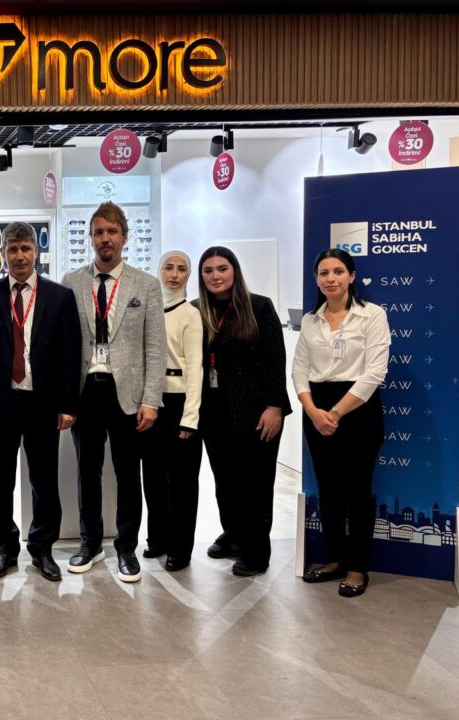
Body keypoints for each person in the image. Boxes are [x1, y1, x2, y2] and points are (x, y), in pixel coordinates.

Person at [61, 201, 166, 582]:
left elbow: (155, 347)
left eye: (112, 231)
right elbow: (64, 346)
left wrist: (151, 400)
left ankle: (126, 548)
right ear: (91, 238)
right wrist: (64, 400)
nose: (105, 238)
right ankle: (89, 543)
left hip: (129, 396)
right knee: (87, 472)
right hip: (85, 391)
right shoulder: (71, 282)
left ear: (124, 236)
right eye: (98, 232)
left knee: (127, 474)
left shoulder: (146, 285)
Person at [0, 221, 80, 581]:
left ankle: (42, 548)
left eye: (25, 248)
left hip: (43, 403)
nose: (19, 256)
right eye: (12, 249)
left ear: (36, 251)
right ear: (3, 254)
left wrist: (68, 404)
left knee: (44, 478)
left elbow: (71, 353)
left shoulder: (59, 296)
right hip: (1, 403)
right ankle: (5, 548)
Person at [292, 249, 390, 597]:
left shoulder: (372, 315)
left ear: (351, 276)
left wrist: (334, 413)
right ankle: (334, 560)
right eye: (323, 273)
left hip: (358, 410)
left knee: (357, 491)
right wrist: (312, 410)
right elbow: (299, 370)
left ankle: (357, 568)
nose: (330, 278)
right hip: (316, 410)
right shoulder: (310, 320)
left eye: (337, 271)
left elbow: (374, 373)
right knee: (328, 488)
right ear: (316, 279)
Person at [197, 246, 292, 577]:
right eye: (208, 270)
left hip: (257, 412)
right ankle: (234, 535)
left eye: (222, 268)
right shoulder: (197, 310)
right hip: (214, 411)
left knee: (255, 485)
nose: (215, 276)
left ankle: (256, 553)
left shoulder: (259, 307)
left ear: (234, 271)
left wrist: (275, 406)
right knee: (225, 482)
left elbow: (276, 359)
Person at [141, 251, 204, 572]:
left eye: (181, 269)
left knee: (182, 482)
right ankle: (158, 539)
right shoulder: (148, 309)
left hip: (180, 404)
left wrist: (190, 419)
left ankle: (180, 548)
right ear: (159, 270)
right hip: (152, 401)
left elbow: (196, 370)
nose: (174, 274)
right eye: (168, 267)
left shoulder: (190, 314)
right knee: (152, 477)